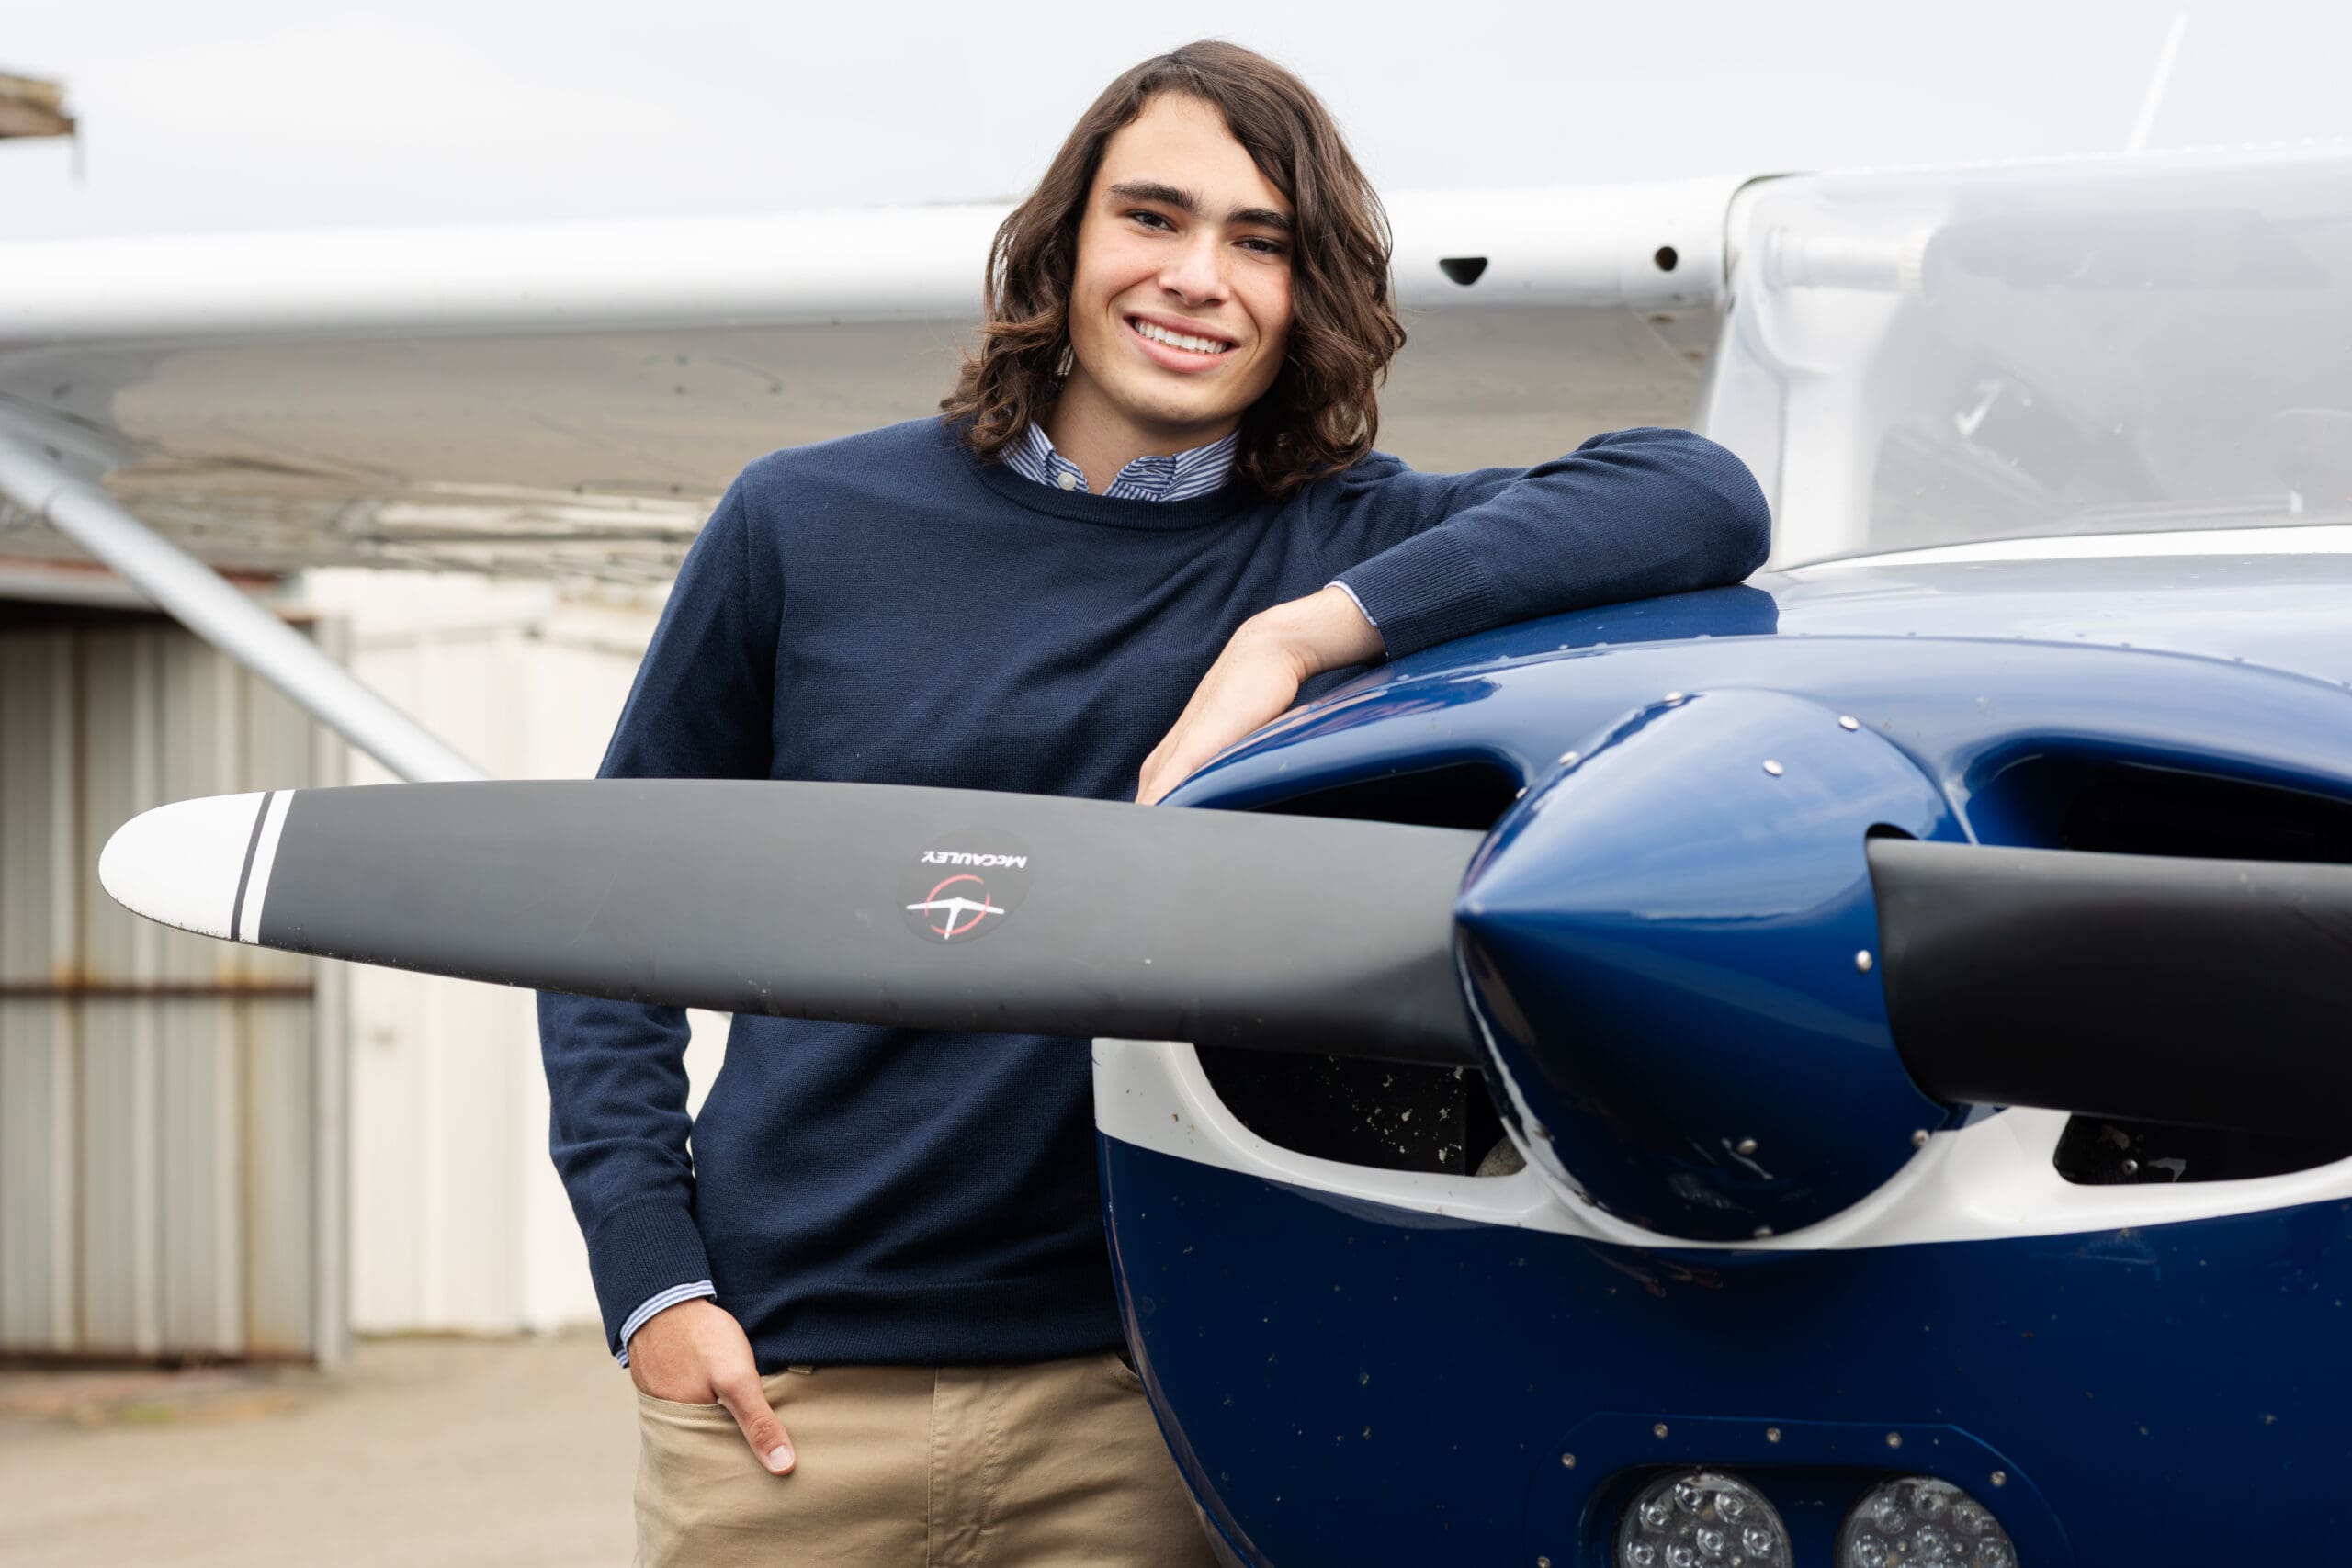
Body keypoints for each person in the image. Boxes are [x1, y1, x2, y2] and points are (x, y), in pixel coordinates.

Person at [539, 39, 1770, 1567]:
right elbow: (604, 909)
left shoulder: (1353, 540)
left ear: (1306, 298)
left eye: (1262, 243)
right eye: (1154, 219)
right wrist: (653, 1281)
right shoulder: (804, 520)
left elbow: (1698, 493)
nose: (1199, 276)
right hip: (788, 1403)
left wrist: (1300, 633)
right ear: (1062, 248)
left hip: (1154, 1401)